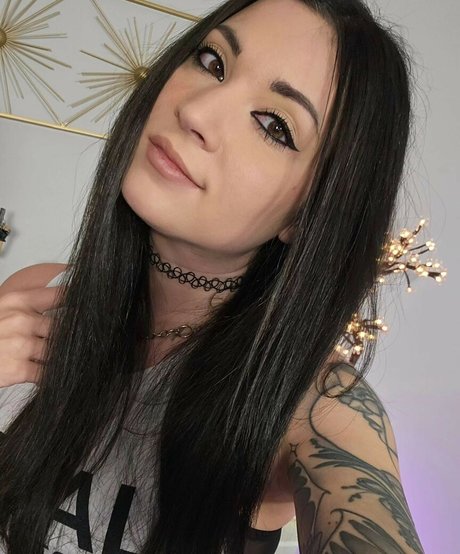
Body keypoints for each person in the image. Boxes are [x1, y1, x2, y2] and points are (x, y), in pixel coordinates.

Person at [0, 0, 425, 552]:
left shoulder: (313, 405)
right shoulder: (38, 294)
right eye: (212, 62)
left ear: (310, 214)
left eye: (274, 126)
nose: (197, 111)